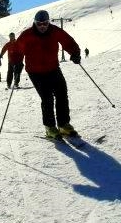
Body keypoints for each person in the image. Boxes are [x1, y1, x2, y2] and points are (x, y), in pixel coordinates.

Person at [15, 9, 82, 139]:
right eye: (39, 24)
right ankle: (50, 127)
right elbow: (18, 50)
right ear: (35, 23)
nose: (42, 26)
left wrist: (75, 53)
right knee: (47, 98)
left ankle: (63, 124)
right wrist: (17, 63)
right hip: (35, 72)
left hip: (53, 68)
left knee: (62, 94)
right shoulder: (27, 35)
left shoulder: (54, 31)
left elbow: (67, 41)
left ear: (48, 22)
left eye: (45, 23)